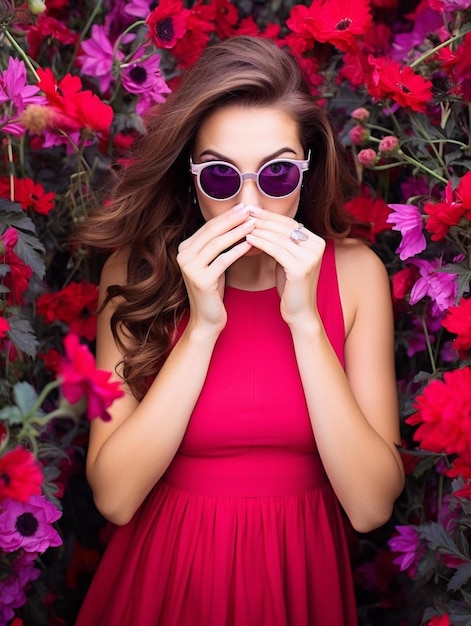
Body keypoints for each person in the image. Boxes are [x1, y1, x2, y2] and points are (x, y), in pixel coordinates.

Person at [75, 35, 405, 626]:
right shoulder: (138, 275)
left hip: (297, 582)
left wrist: (304, 319)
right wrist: (202, 326)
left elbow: (372, 506)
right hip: (165, 582)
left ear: (307, 171)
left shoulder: (355, 276)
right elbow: (116, 498)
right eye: (222, 178)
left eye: (276, 175)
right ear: (190, 176)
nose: (249, 204)